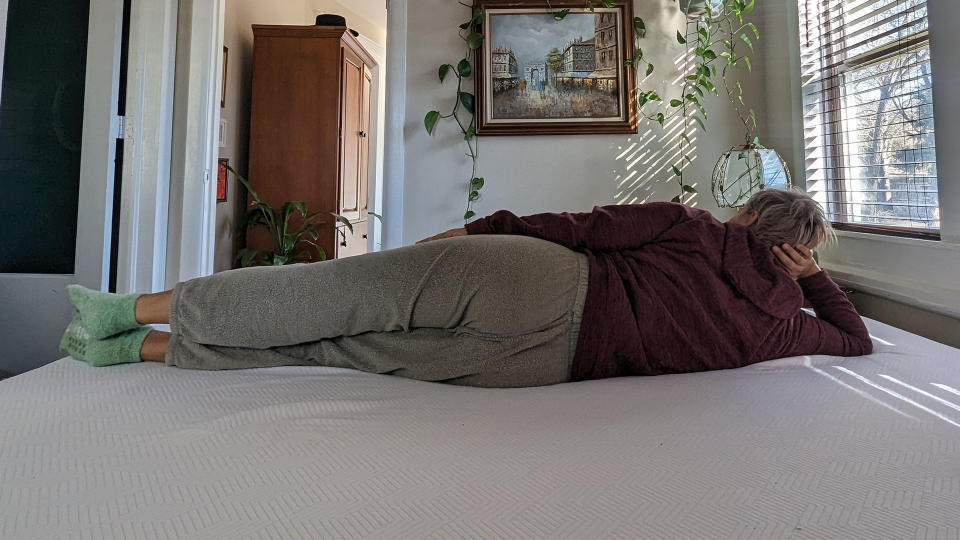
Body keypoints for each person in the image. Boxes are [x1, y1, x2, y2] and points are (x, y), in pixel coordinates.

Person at [60, 189, 872, 388]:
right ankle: (145, 350)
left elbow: (577, 226)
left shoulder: (699, 227)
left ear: (753, 215)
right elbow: (854, 340)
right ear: (802, 258)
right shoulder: (783, 330)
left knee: (333, 291)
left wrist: (473, 234)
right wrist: (819, 286)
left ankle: (124, 311)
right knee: (344, 353)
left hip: (536, 282)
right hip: (547, 369)